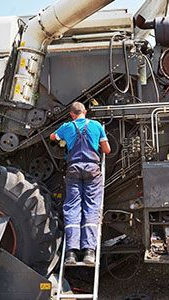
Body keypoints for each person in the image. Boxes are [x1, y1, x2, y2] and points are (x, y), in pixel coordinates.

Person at [50, 102, 111, 264]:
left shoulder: (67, 126)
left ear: (71, 114)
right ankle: (89, 252)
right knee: (91, 206)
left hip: (73, 170)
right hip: (92, 170)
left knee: (72, 207)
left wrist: (62, 139)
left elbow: (52, 137)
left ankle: (70, 252)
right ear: (85, 111)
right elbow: (107, 150)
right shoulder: (96, 125)